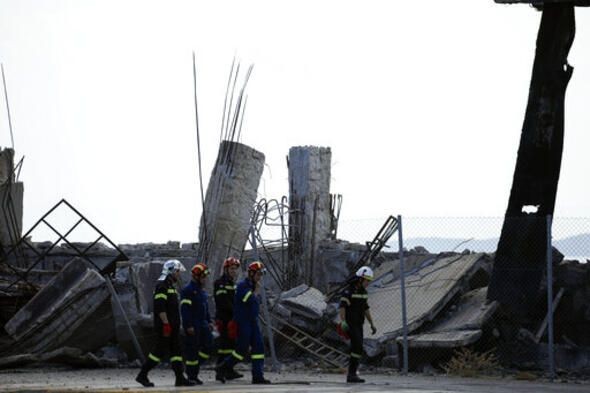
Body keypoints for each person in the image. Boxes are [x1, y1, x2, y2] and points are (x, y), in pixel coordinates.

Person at [136, 259, 195, 387]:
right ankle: (142, 375)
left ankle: (180, 378)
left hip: (172, 325)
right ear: (172, 271)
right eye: (178, 272)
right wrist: (166, 324)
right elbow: (160, 307)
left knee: (176, 352)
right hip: (165, 326)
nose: (179, 274)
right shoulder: (161, 285)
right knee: (159, 352)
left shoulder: (170, 285)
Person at [216, 261, 271, 384]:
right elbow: (248, 299)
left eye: (261, 274)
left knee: (259, 347)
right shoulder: (242, 286)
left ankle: (258, 376)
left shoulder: (253, 285)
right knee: (241, 349)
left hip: (252, 321)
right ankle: (223, 367)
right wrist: (256, 291)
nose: (259, 277)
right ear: (251, 273)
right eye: (258, 274)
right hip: (243, 322)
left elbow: (257, 303)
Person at [338, 266, 377, 383]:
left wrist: (372, 324)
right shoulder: (348, 291)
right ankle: (351, 374)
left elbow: (366, 309)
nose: (368, 283)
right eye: (367, 280)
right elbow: (342, 307)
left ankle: (352, 374)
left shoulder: (363, 293)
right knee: (357, 346)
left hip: (359, 323)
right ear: (360, 279)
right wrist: (343, 321)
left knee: (357, 348)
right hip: (350, 324)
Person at [180, 262, 214, 384]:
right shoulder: (188, 290)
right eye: (203, 277)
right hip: (193, 324)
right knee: (192, 351)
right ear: (196, 277)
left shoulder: (201, 291)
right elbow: (185, 310)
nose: (205, 279)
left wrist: (209, 321)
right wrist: (188, 325)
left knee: (209, 347)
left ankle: (193, 368)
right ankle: (192, 375)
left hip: (203, 324)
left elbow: (205, 308)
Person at [214, 257, 243, 381]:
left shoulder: (232, 283)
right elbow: (223, 302)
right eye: (232, 268)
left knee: (229, 346)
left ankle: (227, 370)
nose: (234, 271)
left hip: (231, 318)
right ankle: (222, 370)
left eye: (235, 269)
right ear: (226, 269)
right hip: (225, 319)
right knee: (225, 345)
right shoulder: (220, 283)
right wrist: (236, 312)